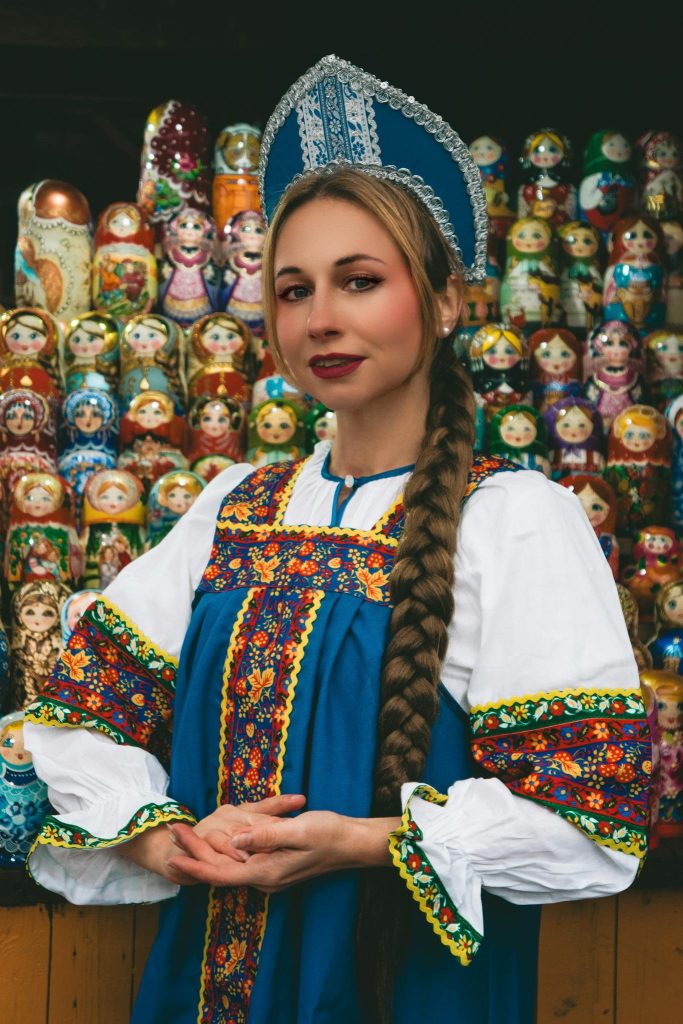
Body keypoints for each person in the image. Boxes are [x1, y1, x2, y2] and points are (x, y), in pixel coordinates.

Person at [23, 55, 650, 1024]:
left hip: (412, 991)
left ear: (443, 301)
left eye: (358, 281)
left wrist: (362, 841)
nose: (320, 318)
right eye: (291, 288)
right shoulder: (230, 505)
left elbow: (593, 818)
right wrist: (162, 839)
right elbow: (71, 716)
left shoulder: (515, 518)